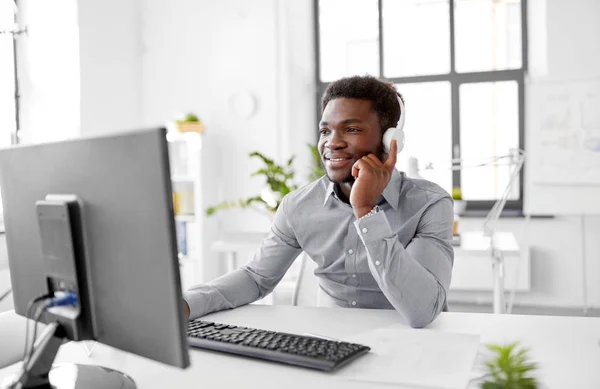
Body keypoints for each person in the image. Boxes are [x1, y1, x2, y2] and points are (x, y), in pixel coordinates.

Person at [183, 75, 453, 328]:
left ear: (390, 140)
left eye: (351, 129)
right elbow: (256, 278)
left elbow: (422, 312)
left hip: (413, 345)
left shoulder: (429, 204)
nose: (332, 143)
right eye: (325, 131)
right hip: (332, 343)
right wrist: (186, 304)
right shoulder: (298, 206)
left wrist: (366, 211)